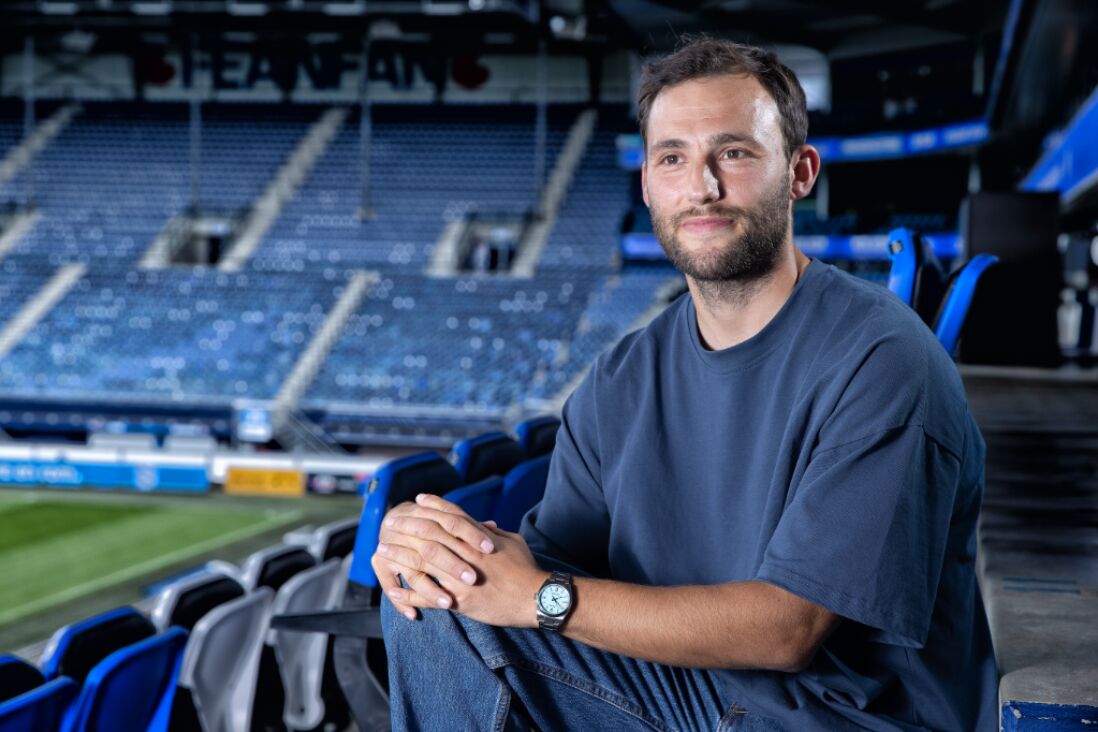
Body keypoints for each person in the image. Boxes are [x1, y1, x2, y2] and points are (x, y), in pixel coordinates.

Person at [371, 37, 998, 731]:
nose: (702, 185)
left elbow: (789, 630)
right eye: (673, 158)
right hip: (687, 694)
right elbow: (546, 559)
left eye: (733, 153)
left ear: (800, 171)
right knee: (435, 592)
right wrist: (439, 547)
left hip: (831, 718)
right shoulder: (624, 373)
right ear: (647, 184)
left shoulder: (880, 357)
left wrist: (539, 598)